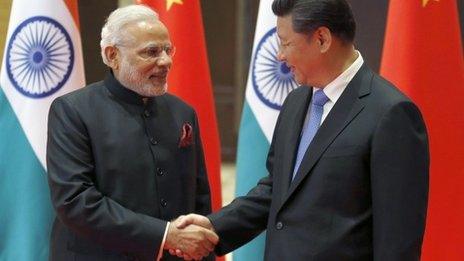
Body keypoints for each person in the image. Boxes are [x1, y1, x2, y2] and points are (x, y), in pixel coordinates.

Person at [175, 0, 429, 260]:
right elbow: (277, 191)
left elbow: (397, 242)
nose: (280, 56)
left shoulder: (391, 114)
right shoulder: (296, 102)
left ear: (322, 39)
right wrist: (215, 227)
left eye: (285, 43)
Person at [46, 5, 218, 261]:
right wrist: (164, 235)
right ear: (112, 55)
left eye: (168, 50)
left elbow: (198, 196)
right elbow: (75, 201)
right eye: (151, 52)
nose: (166, 61)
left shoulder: (183, 112)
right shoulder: (72, 111)